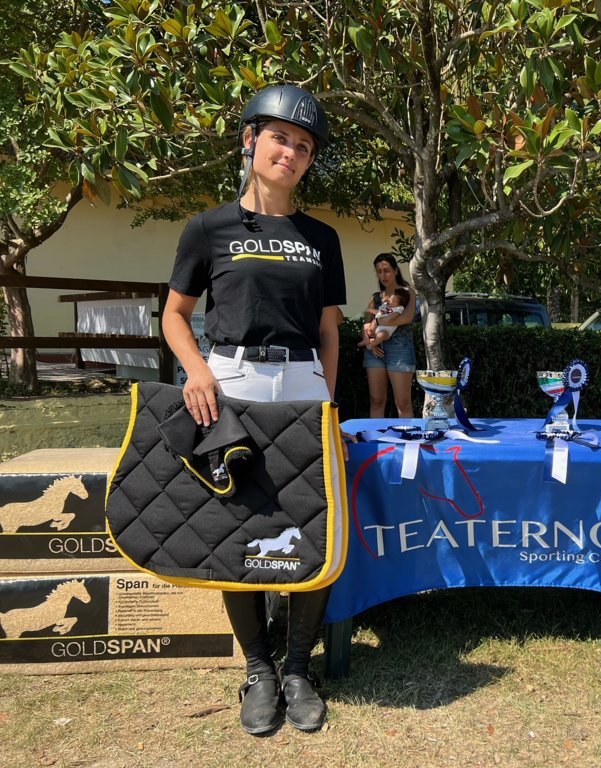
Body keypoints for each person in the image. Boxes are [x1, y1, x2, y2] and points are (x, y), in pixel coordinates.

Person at [162, 84, 346, 736]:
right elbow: (175, 316)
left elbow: (329, 331)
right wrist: (197, 371)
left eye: (303, 147)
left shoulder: (321, 237)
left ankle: (298, 668)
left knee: (311, 526)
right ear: (250, 140)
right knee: (235, 527)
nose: (290, 153)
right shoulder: (208, 228)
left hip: (303, 382)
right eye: (279, 138)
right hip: (232, 380)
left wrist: (329, 401)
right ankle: (259, 669)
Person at [362, 253, 416, 418]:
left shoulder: (407, 292)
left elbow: (406, 318)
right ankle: (375, 434)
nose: (383, 275)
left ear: (395, 271)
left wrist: (379, 321)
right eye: (379, 271)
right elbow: (365, 324)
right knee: (376, 400)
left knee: (403, 403)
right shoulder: (375, 297)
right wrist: (368, 341)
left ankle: (408, 435)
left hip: (400, 349)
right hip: (374, 351)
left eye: (386, 270)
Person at [357, 286, 411, 350]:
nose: (390, 300)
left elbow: (391, 317)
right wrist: (371, 310)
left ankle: (372, 344)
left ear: (399, 304)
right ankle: (365, 339)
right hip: (376, 326)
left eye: (393, 301)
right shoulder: (386, 305)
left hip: (385, 329)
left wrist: (388, 317)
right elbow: (379, 312)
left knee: (381, 335)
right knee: (365, 326)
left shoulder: (398, 309)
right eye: (390, 298)